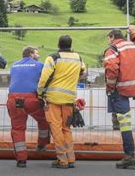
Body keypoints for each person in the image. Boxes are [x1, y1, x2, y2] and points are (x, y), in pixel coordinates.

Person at [103, 25, 135, 170]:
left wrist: (110, 88)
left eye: (108, 38)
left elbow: (111, 69)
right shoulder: (132, 46)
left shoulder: (113, 49)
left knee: (125, 124)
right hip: (134, 87)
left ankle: (129, 157)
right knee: (124, 120)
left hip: (121, 89)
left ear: (112, 37)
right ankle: (116, 118)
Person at [38, 35, 86, 169]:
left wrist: (40, 92)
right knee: (66, 129)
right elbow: (83, 72)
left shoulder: (53, 58)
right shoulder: (78, 58)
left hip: (53, 99)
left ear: (58, 44)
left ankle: (62, 159)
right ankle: (71, 158)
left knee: (56, 129)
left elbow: (44, 77)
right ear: (71, 44)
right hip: (69, 99)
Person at [6, 46, 50, 168]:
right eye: (37, 53)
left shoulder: (14, 65)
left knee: (18, 129)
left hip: (13, 99)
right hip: (31, 98)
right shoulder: (39, 65)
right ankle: (42, 145)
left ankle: (21, 160)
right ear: (31, 54)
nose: (38, 55)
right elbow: (45, 80)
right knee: (44, 120)